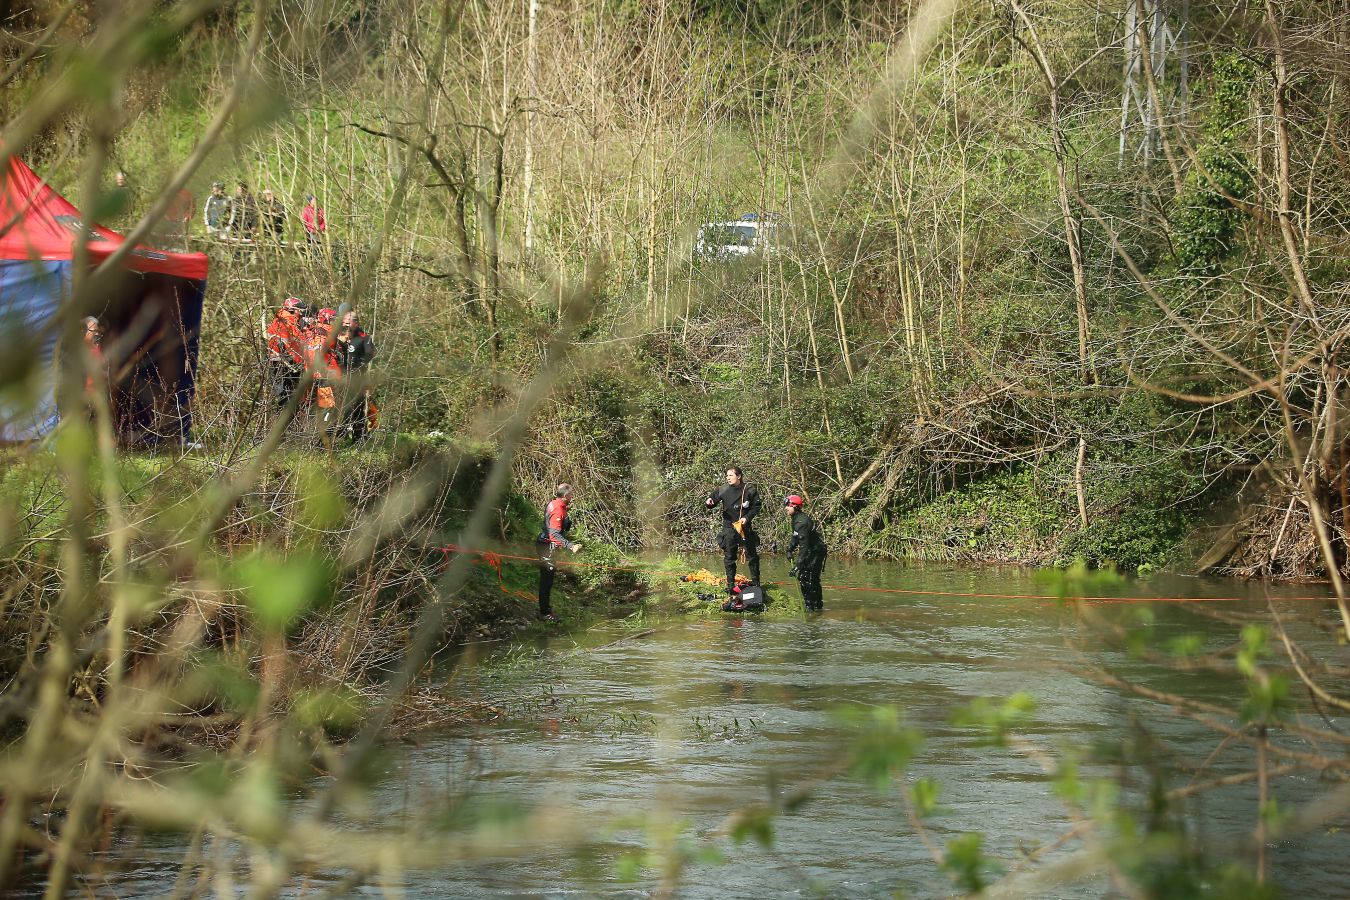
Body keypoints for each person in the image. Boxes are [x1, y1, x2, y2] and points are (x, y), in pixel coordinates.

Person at [705, 466, 762, 595]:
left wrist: (747, 517)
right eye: (727, 475)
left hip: (744, 527)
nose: (728, 478)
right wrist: (709, 502)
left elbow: (756, 506)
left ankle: (756, 583)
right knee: (729, 557)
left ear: (739, 476)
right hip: (729, 527)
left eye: (730, 475)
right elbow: (712, 501)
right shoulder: (723, 489)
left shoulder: (749, 490)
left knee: (752, 556)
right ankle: (730, 584)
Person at [537, 483, 583, 622]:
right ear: (565, 495)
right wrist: (571, 546)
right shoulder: (558, 509)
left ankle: (546, 610)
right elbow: (554, 534)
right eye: (571, 494)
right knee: (547, 580)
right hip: (547, 546)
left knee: (548, 579)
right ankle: (545, 613)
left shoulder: (555, 503)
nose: (572, 497)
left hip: (547, 544)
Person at [333, 310, 376, 441]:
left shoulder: (363, 337)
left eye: (348, 323)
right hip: (340, 377)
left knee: (357, 406)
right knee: (339, 406)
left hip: (357, 378)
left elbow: (371, 353)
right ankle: (340, 435)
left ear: (355, 323)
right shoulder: (338, 336)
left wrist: (359, 364)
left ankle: (359, 437)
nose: (345, 325)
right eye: (344, 323)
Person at [784, 494, 827, 611]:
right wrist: (789, 549)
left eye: (788, 505)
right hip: (810, 550)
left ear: (795, 507)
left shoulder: (802, 522)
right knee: (805, 578)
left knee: (808, 579)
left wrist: (798, 565)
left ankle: (813, 607)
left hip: (815, 551)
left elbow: (804, 547)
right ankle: (813, 606)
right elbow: (796, 536)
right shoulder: (796, 518)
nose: (786, 508)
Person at [265, 297, 307, 408]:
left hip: (287, 362)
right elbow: (287, 345)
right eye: (299, 311)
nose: (301, 314)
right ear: (292, 310)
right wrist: (298, 362)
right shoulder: (283, 323)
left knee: (290, 396)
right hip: (283, 363)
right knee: (285, 397)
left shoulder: (289, 322)